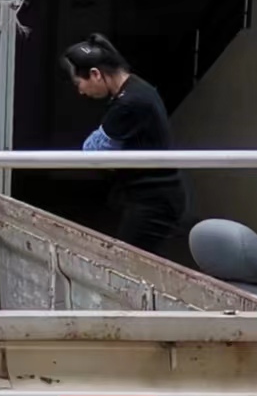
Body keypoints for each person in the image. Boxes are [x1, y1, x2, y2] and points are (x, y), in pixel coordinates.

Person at [62, 33, 186, 255]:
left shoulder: (129, 103)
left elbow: (92, 151)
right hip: (147, 195)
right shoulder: (136, 87)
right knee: (131, 260)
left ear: (95, 74)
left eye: (79, 83)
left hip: (152, 200)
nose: (80, 91)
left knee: (128, 263)